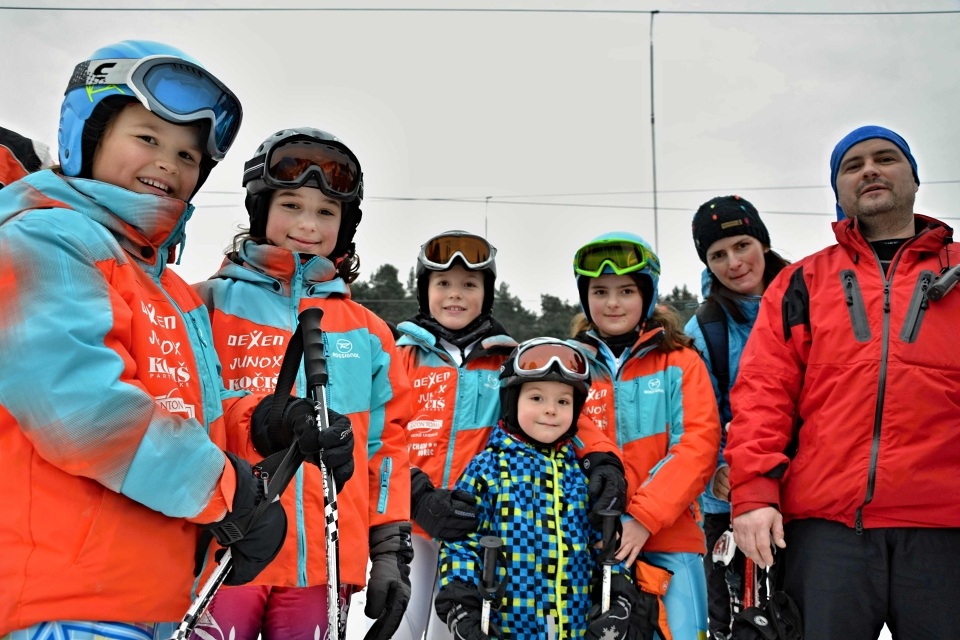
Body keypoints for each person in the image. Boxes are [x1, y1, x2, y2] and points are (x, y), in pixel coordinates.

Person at [0, 40, 351, 640]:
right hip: (65, 600)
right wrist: (226, 490)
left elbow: (191, 415)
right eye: (147, 138)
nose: (168, 163)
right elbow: (83, 409)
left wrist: (267, 422)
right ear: (87, 135)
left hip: (154, 598)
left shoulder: (170, 289)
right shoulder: (47, 239)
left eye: (187, 154)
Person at [726, 125, 960, 639]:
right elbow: (763, 393)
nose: (870, 170)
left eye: (885, 158)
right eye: (853, 166)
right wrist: (754, 493)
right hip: (827, 530)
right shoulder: (801, 282)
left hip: (945, 529)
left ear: (914, 178)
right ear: (839, 190)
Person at [191, 127, 414, 640]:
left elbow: (386, 448)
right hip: (225, 552)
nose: (308, 225)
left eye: (326, 212)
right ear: (260, 209)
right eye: (291, 205)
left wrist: (389, 551)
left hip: (323, 564)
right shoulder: (205, 304)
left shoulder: (369, 333)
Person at [394, 231, 628, 640]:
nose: (456, 294)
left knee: (455, 629)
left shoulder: (512, 361)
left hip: (477, 526)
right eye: (443, 283)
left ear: (487, 294)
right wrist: (415, 494)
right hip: (410, 522)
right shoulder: (400, 356)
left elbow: (568, 414)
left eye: (470, 285)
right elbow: (376, 433)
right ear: (423, 290)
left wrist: (603, 459)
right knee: (398, 627)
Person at [570, 232, 721, 640]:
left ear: (647, 294)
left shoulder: (680, 361)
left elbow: (697, 446)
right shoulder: (569, 365)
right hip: (587, 546)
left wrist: (641, 518)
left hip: (669, 541)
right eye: (600, 292)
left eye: (626, 291)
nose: (613, 303)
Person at [435, 337, 638, 639]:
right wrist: (461, 605)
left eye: (563, 401)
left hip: (575, 628)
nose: (551, 410)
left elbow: (604, 544)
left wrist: (619, 595)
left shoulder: (581, 476)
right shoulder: (487, 469)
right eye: (537, 398)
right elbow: (462, 544)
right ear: (512, 400)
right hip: (505, 627)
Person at [683, 196, 790, 640]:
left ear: (763, 243)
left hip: (806, 496)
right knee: (735, 624)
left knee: (803, 615)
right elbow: (696, 417)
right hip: (730, 507)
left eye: (742, 245)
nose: (734, 263)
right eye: (718, 255)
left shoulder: (807, 302)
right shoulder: (705, 328)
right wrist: (716, 473)